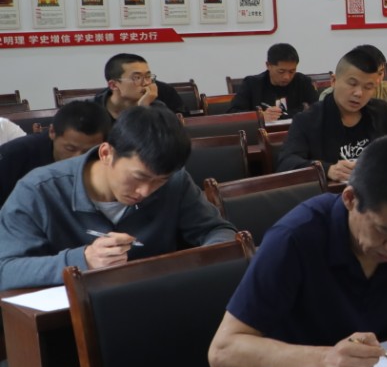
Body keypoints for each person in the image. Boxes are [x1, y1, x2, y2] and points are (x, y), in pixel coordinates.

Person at [208, 134, 387, 367]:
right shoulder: (294, 238)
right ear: (350, 199)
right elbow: (223, 351)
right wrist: (323, 361)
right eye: (384, 231)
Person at [0, 105, 236, 290]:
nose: (145, 191)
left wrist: (202, 262)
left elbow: (219, 231)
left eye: (159, 181)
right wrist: (83, 260)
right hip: (69, 318)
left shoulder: (175, 181)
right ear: (106, 153)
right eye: (138, 177)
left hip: (160, 301)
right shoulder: (38, 190)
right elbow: (6, 270)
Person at [279, 47, 387, 184]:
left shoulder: (381, 112)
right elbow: (286, 163)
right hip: (332, 194)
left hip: (379, 190)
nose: (359, 93)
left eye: (368, 87)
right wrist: (327, 169)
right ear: (333, 81)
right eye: (352, 84)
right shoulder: (307, 120)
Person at [0, 101, 112, 207]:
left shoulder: (109, 156)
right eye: (70, 149)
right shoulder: (14, 154)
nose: (78, 158)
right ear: (52, 132)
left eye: (88, 151)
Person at [318, 44, 387, 127]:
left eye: (380, 73)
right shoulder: (329, 95)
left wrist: (383, 128)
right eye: (352, 84)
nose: (376, 80)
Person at [228, 42, 318, 121]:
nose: (287, 77)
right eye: (281, 71)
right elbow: (232, 114)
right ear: (268, 65)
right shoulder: (252, 84)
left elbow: (318, 109)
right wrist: (260, 116)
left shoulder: (303, 82)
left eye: (292, 71)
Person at [93, 52, 185, 118]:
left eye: (148, 76)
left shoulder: (161, 100)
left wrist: (145, 107)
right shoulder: (93, 111)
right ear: (113, 85)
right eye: (137, 77)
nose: (146, 83)